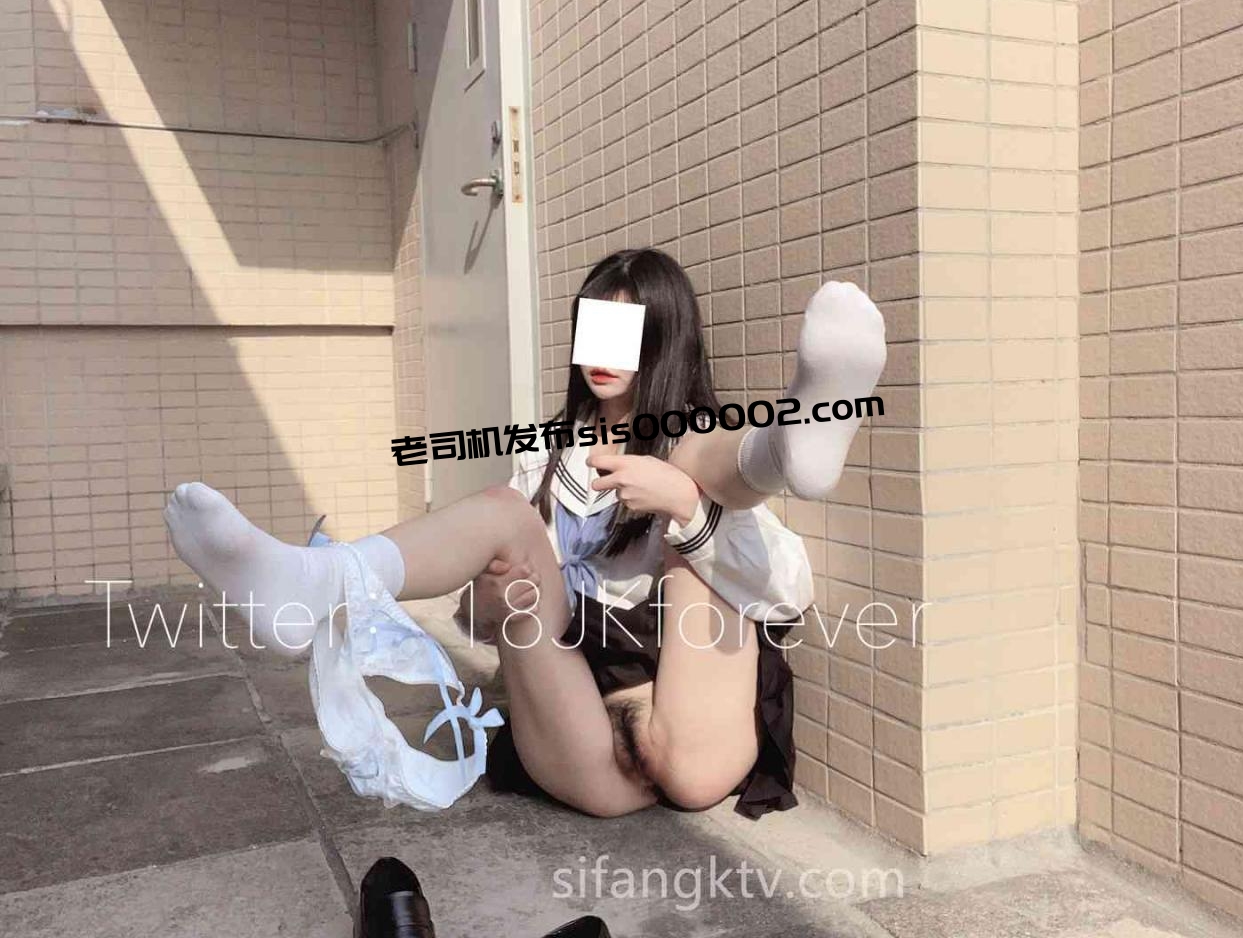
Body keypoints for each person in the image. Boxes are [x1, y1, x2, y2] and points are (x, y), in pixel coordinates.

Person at [164, 248, 887, 820]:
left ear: (664, 340)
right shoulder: (545, 458)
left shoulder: (688, 440)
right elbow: (478, 626)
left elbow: (786, 593)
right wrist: (493, 604)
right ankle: (317, 582)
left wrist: (685, 512)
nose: (601, 351)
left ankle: (788, 446)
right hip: (588, 744)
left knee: (692, 471)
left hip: (692, 735)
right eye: (593, 328)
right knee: (504, 514)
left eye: (626, 331)